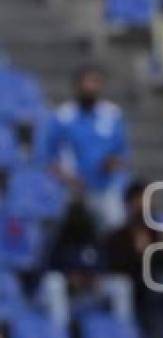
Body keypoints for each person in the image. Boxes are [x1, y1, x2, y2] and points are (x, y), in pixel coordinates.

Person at [41, 65, 131, 229]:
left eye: (95, 82)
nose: (91, 87)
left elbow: (122, 153)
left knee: (116, 225)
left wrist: (113, 163)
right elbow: (49, 157)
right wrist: (66, 177)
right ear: (76, 86)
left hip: (105, 188)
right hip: (71, 191)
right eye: (87, 82)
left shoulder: (112, 115)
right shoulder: (63, 116)